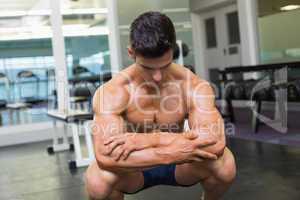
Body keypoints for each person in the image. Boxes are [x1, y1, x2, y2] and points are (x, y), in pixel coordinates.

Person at [85, 11, 236, 200]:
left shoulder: (193, 86)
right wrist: (169, 151)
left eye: (164, 65)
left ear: (173, 50)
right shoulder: (113, 91)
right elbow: (105, 157)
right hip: (136, 167)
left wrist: (140, 140)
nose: (157, 76)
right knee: (97, 180)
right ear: (131, 52)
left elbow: (215, 144)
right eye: (148, 68)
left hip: (181, 164)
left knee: (225, 165)